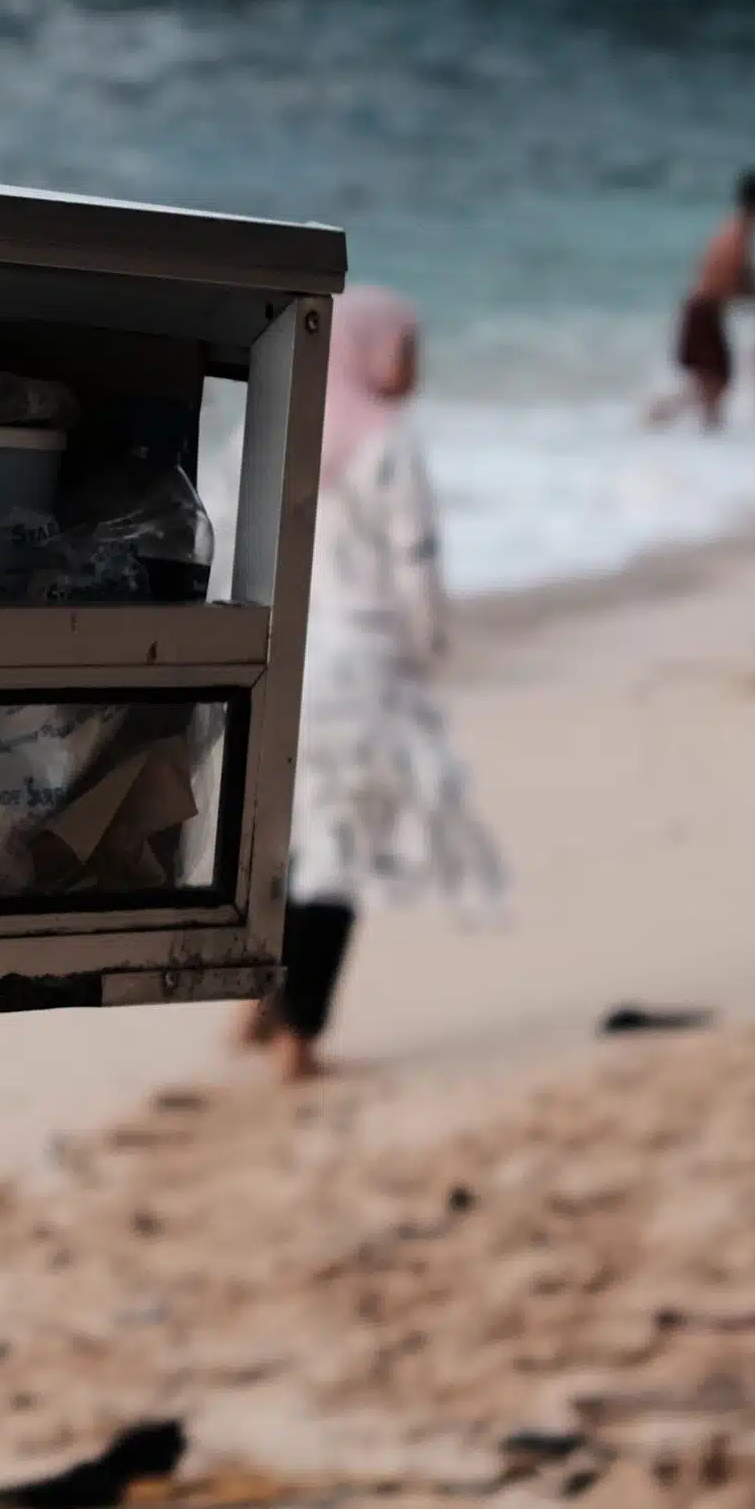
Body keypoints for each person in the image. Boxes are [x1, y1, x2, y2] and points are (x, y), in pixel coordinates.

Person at [244, 286, 505, 1082]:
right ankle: (299, 1038)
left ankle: (258, 1004)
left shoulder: (294, 438)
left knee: (287, 841)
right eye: (406, 346)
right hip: (359, 678)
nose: (415, 364)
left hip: (284, 669)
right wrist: (432, 652)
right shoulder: (388, 445)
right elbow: (415, 568)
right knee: (337, 854)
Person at [649, 170, 755, 428]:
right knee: (714, 382)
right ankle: (658, 416)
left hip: (704, 310)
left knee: (714, 382)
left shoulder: (735, 230)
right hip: (704, 312)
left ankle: (707, 431)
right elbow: (732, 281)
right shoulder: (737, 236)